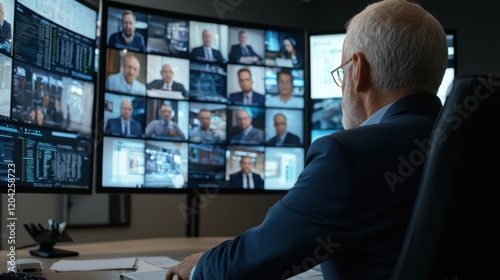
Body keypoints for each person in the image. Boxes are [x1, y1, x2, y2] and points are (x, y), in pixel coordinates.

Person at [166, 0, 447, 279]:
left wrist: (201, 266)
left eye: (343, 70)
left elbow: (258, 255)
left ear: (359, 70)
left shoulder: (346, 154)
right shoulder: (472, 144)